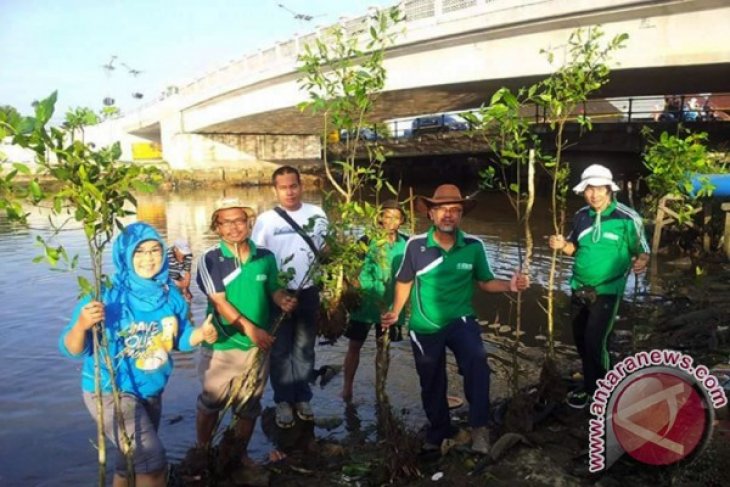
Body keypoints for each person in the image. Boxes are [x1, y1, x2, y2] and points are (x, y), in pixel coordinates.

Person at [59, 222, 218, 487]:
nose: (148, 258)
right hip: (110, 390)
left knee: (130, 464)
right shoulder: (105, 295)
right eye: (139, 252)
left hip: (151, 390)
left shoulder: (170, 295)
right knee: (153, 464)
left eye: (155, 250)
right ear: (124, 256)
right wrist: (81, 325)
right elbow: (73, 350)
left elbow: (178, 339)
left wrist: (200, 335)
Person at [381, 184, 529, 455]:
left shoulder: (473, 246)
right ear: (432, 214)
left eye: (455, 210)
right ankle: (438, 431)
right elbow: (404, 281)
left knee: (477, 363)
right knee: (431, 380)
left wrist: (510, 285)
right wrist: (396, 311)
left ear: (461, 215)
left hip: (461, 320)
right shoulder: (415, 245)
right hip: (425, 325)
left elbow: (485, 282)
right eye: (442, 210)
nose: (448, 215)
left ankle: (479, 429)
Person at [195, 197, 297, 463]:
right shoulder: (210, 259)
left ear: (248, 223)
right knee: (211, 402)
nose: (234, 227)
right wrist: (251, 330)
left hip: (257, 346)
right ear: (217, 227)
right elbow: (219, 301)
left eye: (239, 220)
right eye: (226, 222)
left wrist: (282, 299)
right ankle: (203, 451)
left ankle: (238, 455)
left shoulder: (265, 256)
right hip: (223, 345)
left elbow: (273, 288)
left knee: (249, 406)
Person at [549, 164, 650, 409]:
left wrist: (641, 262)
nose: (594, 194)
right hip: (578, 287)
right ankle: (590, 387)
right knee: (581, 341)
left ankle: (603, 394)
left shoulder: (628, 218)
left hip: (607, 291)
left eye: (599, 189)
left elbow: (642, 251)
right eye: (589, 189)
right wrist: (561, 245)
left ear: (609, 190)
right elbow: (575, 249)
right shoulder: (581, 215)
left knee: (597, 342)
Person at [251, 165, 328, 428]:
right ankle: (283, 400)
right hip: (277, 294)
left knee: (305, 348)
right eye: (283, 187)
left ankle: (303, 398)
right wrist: (275, 292)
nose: (289, 192)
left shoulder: (317, 214)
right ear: (275, 190)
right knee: (281, 350)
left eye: (293, 186)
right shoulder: (266, 220)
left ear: (301, 186)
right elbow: (258, 260)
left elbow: (325, 249)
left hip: (309, 291)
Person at [341, 199, 408, 402]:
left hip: (391, 305)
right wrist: (355, 289)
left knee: (384, 347)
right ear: (379, 218)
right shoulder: (366, 240)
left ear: (402, 221)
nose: (390, 221)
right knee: (354, 346)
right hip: (365, 304)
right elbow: (351, 269)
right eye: (386, 216)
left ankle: (381, 389)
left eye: (396, 217)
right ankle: (347, 388)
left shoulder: (407, 243)